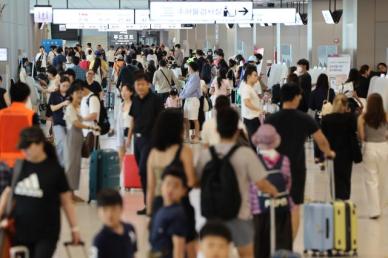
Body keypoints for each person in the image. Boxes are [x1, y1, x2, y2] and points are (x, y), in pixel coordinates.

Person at [196, 107, 278, 258]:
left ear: (217, 129)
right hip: (240, 214)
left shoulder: (206, 155)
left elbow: (196, 182)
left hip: (213, 217)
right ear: (237, 129)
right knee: (246, 254)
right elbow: (261, 184)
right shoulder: (246, 153)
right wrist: (274, 191)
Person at [265, 83, 334, 240]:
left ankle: (277, 240)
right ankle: (289, 244)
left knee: (277, 205)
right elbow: (321, 140)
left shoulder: (272, 119)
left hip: (275, 169)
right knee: (294, 207)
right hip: (296, 168)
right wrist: (329, 152)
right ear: (296, 97)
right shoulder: (304, 119)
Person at [0, 127, 81, 258]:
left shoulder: (55, 170)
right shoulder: (19, 167)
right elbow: (7, 193)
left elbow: (67, 202)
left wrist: (74, 229)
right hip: (19, 232)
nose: (24, 151)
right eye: (22, 147)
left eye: (27, 147)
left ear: (40, 144)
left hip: (46, 234)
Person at [146, 109, 197, 258]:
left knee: (162, 250)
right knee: (186, 249)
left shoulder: (153, 153)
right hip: (180, 204)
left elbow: (150, 188)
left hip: (158, 205)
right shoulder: (183, 151)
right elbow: (191, 181)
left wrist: (150, 214)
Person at [250, 124, 293, 258]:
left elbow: (251, 187)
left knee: (260, 244)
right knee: (283, 243)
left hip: (260, 209)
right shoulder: (284, 160)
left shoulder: (254, 160)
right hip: (281, 207)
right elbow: (288, 183)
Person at [127, 72, 164, 215]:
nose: (140, 87)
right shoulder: (135, 99)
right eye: (137, 84)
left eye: (143, 84)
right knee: (143, 173)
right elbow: (133, 120)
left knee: (144, 170)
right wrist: (129, 138)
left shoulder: (156, 100)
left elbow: (161, 121)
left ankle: (152, 204)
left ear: (148, 84)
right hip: (138, 140)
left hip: (151, 139)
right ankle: (147, 203)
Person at [64, 81, 99, 201]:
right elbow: (76, 123)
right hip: (73, 137)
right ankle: (68, 194)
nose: (79, 95)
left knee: (76, 166)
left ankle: (73, 193)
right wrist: (90, 127)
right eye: (77, 93)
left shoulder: (76, 107)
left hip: (78, 137)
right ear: (71, 94)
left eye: (80, 92)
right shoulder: (69, 108)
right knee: (72, 165)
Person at [321, 94, 359, 200]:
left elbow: (323, 138)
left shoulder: (327, 119)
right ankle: (345, 200)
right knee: (346, 178)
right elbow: (354, 133)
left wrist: (320, 155)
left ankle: (336, 200)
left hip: (332, 153)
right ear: (346, 105)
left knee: (334, 178)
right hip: (347, 153)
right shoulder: (351, 118)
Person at [357, 93, 388, 219]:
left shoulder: (363, 117)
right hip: (384, 147)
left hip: (369, 147)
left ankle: (374, 210)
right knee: (383, 178)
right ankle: (381, 206)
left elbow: (362, 136)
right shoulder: (385, 116)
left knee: (371, 180)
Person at [149, 168, 188, 258]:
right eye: (168, 184)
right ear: (162, 185)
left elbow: (178, 251)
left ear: (183, 191)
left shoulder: (177, 214)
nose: (170, 189)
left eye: (176, 186)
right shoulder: (160, 207)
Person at [0, 81, 39, 168]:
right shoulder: (31, 115)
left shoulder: (1, 114)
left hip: (2, 161)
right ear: (26, 97)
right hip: (23, 161)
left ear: (11, 96)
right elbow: (36, 140)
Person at [92, 189, 137, 258]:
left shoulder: (130, 229)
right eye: (105, 209)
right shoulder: (100, 240)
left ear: (121, 209)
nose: (110, 214)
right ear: (98, 212)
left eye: (114, 209)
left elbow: (133, 253)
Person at [309, 73, 335, 163]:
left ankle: (317, 156)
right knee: (329, 135)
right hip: (330, 117)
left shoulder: (313, 92)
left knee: (317, 136)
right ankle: (327, 152)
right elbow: (334, 104)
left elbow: (311, 106)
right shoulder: (330, 91)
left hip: (318, 116)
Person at [48, 76, 70, 167]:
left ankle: (63, 163)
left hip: (69, 122)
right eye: (64, 85)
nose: (65, 88)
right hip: (58, 122)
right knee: (61, 141)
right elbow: (52, 108)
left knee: (66, 144)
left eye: (67, 86)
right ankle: (60, 165)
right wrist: (63, 104)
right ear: (60, 84)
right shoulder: (54, 94)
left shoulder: (71, 94)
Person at [240, 64, 262, 148]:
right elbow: (247, 103)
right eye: (255, 75)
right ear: (249, 76)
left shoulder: (250, 88)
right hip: (250, 120)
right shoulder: (246, 88)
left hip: (254, 119)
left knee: (254, 144)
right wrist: (259, 110)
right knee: (252, 144)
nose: (257, 77)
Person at [180, 61, 202, 143]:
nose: (187, 68)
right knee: (186, 119)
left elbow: (190, 90)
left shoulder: (196, 77)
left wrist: (181, 96)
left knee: (194, 119)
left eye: (188, 67)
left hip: (193, 100)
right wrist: (181, 95)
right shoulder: (190, 76)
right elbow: (185, 88)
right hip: (187, 99)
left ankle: (196, 137)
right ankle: (187, 137)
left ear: (192, 68)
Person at [80, 80, 101, 149]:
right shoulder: (83, 98)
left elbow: (94, 115)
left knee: (91, 156)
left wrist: (81, 119)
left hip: (92, 132)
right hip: (85, 132)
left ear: (83, 89)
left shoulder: (92, 98)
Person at [116, 84, 134, 162]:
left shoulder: (134, 105)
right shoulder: (120, 105)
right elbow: (119, 122)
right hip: (121, 135)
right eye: (122, 91)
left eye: (126, 90)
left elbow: (134, 122)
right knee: (121, 158)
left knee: (131, 158)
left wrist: (129, 137)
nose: (123, 93)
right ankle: (122, 174)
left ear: (131, 92)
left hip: (131, 135)